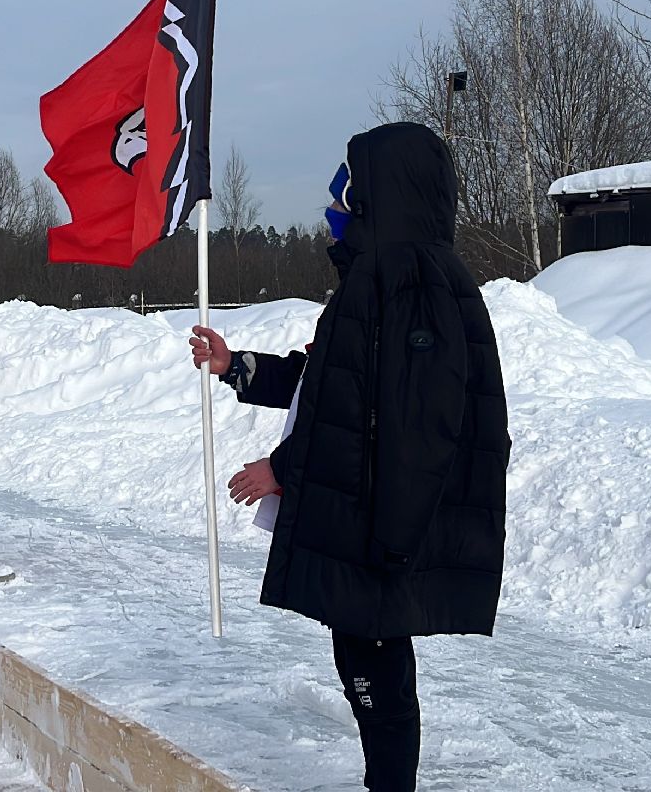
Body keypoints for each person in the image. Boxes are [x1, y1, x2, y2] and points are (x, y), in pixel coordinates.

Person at [190, 123, 510, 792]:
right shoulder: (384, 278)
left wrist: (285, 468)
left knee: (375, 665)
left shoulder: (407, 283)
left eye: (345, 198)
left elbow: (401, 421)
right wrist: (237, 367)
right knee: (366, 654)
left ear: (376, 202)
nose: (333, 214)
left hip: (388, 519)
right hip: (378, 514)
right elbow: (330, 386)